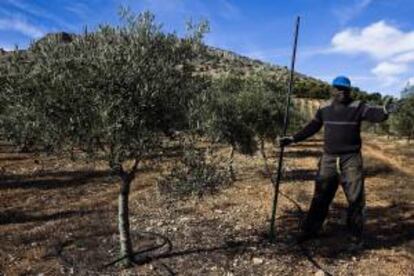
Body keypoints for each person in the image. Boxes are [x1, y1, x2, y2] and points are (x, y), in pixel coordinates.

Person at [279, 76, 397, 248]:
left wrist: (386, 110)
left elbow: (375, 114)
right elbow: (312, 127)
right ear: (332, 90)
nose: (342, 92)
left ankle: (356, 237)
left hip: (351, 159)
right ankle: (310, 231)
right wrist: (292, 139)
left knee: (356, 200)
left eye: (345, 89)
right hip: (328, 158)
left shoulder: (358, 107)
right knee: (320, 196)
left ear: (350, 91)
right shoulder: (324, 108)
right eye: (338, 88)